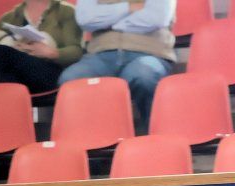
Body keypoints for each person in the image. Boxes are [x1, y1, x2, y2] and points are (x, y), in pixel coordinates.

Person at [58, 0, 175, 129]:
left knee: (143, 75)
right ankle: (91, 137)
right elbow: (86, 19)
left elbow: (156, 18)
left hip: (149, 52)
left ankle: (157, 134)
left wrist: (110, 21)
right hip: (101, 54)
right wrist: (130, 7)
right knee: (71, 79)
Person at [0, 0, 83, 93]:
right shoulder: (9, 17)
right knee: (5, 75)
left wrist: (52, 53)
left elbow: (76, 51)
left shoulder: (65, 11)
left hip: (51, 72)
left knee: (0, 51)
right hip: (17, 75)